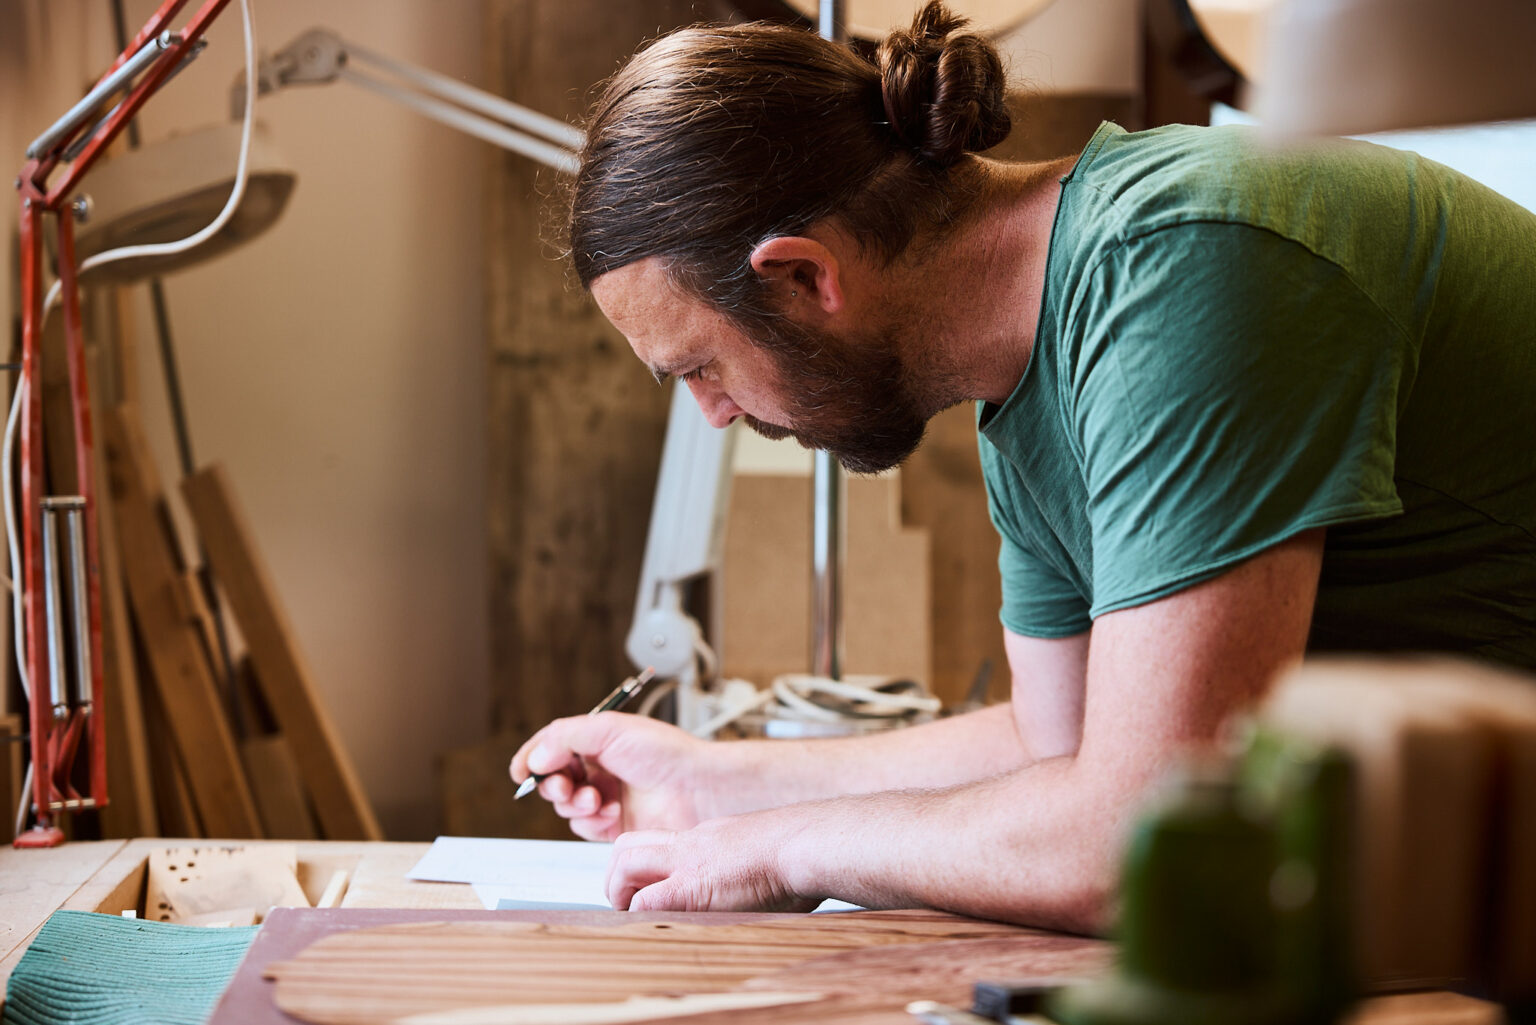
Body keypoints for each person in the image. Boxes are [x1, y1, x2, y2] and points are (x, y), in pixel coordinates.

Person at [510, 2, 1536, 931]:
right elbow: (1068, 742)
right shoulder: (1025, 374)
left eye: (700, 365)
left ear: (802, 275)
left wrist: (780, 848)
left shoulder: (1187, 265)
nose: (715, 411)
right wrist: (723, 787)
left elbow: (1138, 840)